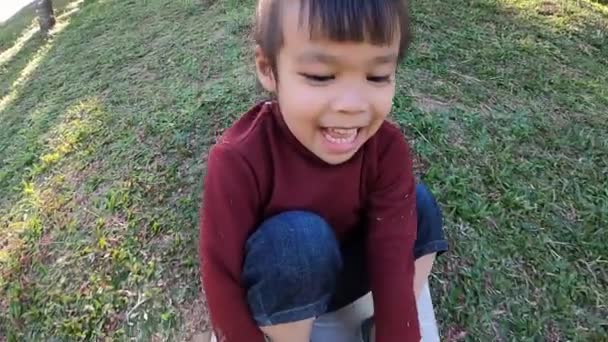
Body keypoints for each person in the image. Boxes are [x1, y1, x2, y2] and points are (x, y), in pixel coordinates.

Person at [199, 0, 448, 341]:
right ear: (268, 68)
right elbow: (220, 275)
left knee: (420, 207)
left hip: (350, 277)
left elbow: (392, 257)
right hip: (284, 288)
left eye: (377, 76)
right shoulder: (238, 159)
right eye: (320, 76)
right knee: (301, 239)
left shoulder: (387, 149)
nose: (352, 104)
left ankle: (376, 327)